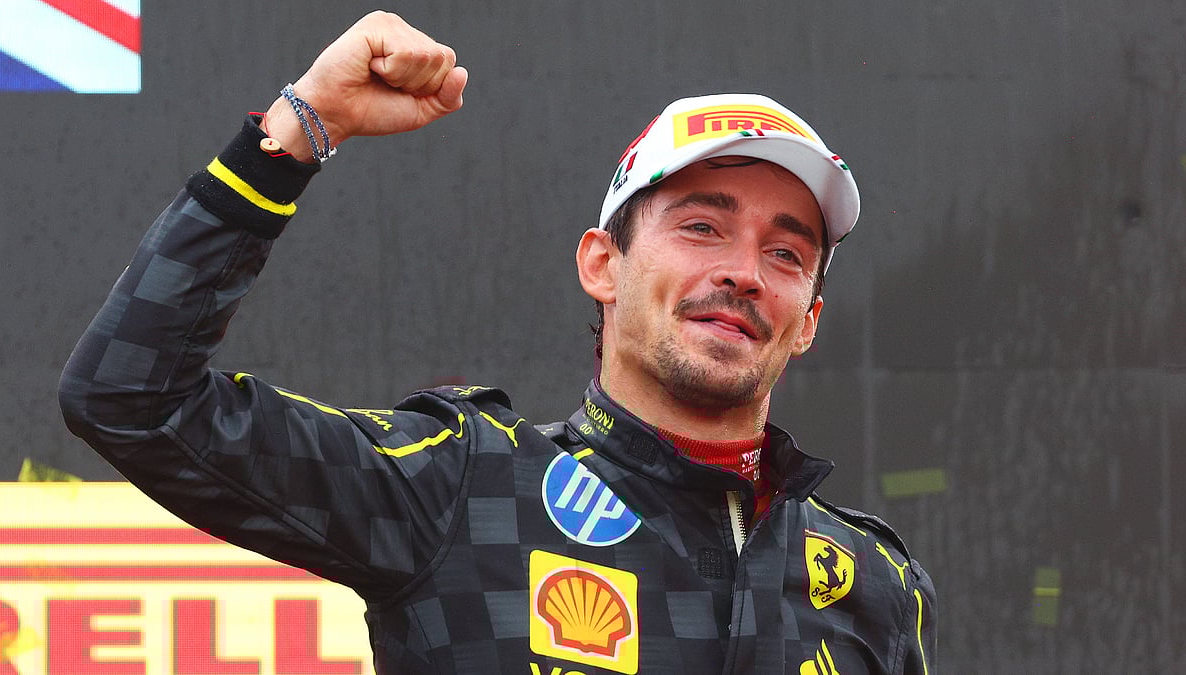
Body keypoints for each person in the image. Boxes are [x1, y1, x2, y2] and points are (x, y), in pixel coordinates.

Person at [60, 11, 936, 675]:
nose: (745, 271)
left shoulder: (872, 580)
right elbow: (133, 397)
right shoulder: (462, 484)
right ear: (602, 264)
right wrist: (299, 129)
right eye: (702, 226)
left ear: (809, 318)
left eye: (786, 252)